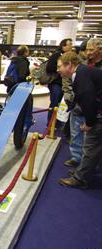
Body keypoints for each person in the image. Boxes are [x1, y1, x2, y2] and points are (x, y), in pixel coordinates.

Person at [58, 52, 102, 189]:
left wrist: (89, 123)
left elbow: (88, 100)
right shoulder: (84, 72)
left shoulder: (81, 75)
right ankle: (87, 170)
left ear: (69, 65)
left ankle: (81, 178)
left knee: (90, 146)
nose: (58, 70)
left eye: (60, 66)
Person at [64, 38, 102, 168]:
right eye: (87, 49)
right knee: (76, 132)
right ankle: (76, 158)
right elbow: (70, 82)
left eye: (91, 49)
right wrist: (70, 97)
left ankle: (85, 168)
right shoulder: (83, 63)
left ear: (100, 49)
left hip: (94, 107)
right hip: (79, 104)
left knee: (91, 140)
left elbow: (89, 93)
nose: (88, 52)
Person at [46, 38, 72, 124]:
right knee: (54, 103)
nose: (71, 46)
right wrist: (60, 69)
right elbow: (49, 68)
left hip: (63, 83)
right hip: (55, 83)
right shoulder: (56, 55)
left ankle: (56, 122)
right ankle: (50, 123)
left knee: (60, 104)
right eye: (70, 44)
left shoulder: (67, 56)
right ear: (63, 46)